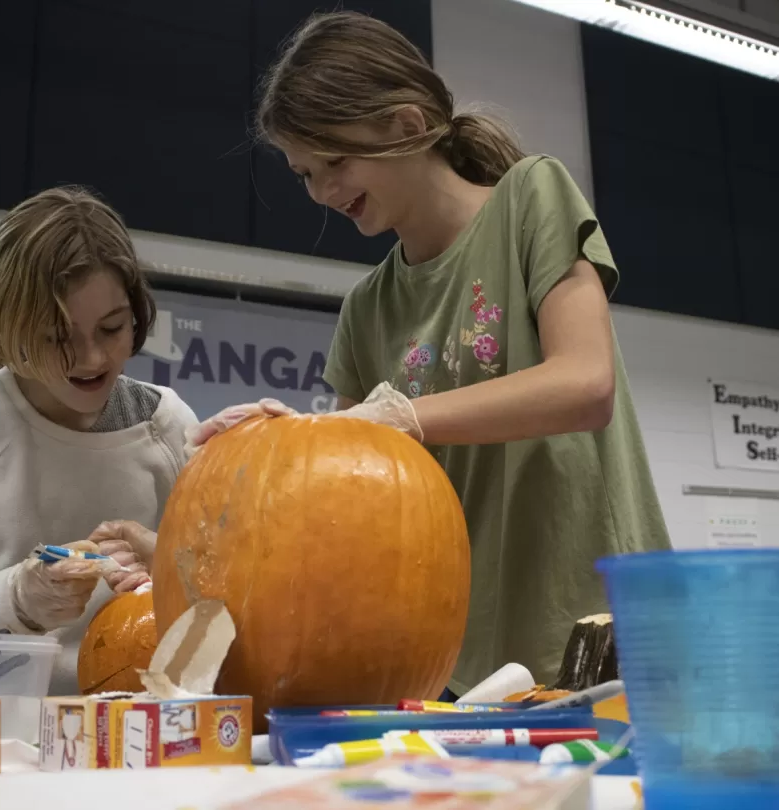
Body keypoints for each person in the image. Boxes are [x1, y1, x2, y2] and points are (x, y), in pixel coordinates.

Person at [189, 11, 672, 696]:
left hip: (600, 626)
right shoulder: (366, 309)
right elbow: (357, 500)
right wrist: (286, 447)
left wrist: (404, 417)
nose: (323, 192)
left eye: (335, 162)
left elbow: (584, 384)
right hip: (460, 661)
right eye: (304, 173)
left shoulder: (532, 199)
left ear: (408, 125)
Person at [0, 187, 198, 694]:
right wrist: (18, 598)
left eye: (112, 328)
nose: (91, 358)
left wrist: (178, 569)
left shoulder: (167, 426)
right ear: (8, 325)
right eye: (58, 337)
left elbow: (236, 601)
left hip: (143, 729)